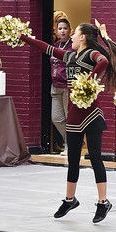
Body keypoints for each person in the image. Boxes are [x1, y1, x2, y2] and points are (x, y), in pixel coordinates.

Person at [20, 22, 116, 223]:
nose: (70, 37)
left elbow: (104, 62)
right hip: (74, 115)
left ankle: (103, 202)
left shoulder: (90, 54)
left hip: (91, 115)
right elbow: (47, 48)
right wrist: (24, 38)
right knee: (73, 160)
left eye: (74, 34)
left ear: (83, 37)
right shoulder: (70, 56)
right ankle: (70, 199)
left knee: (95, 158)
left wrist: (89, 80)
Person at [51, 18, 72, 155]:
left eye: (65, 28)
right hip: (55, 86)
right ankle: (73, 141)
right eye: (60, 28)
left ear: (70, 29)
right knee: (56, 118)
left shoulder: (73, 46)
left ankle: (69, 146)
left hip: (67, 87)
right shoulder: (56, 45)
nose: (62, 31)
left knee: (68, 117)